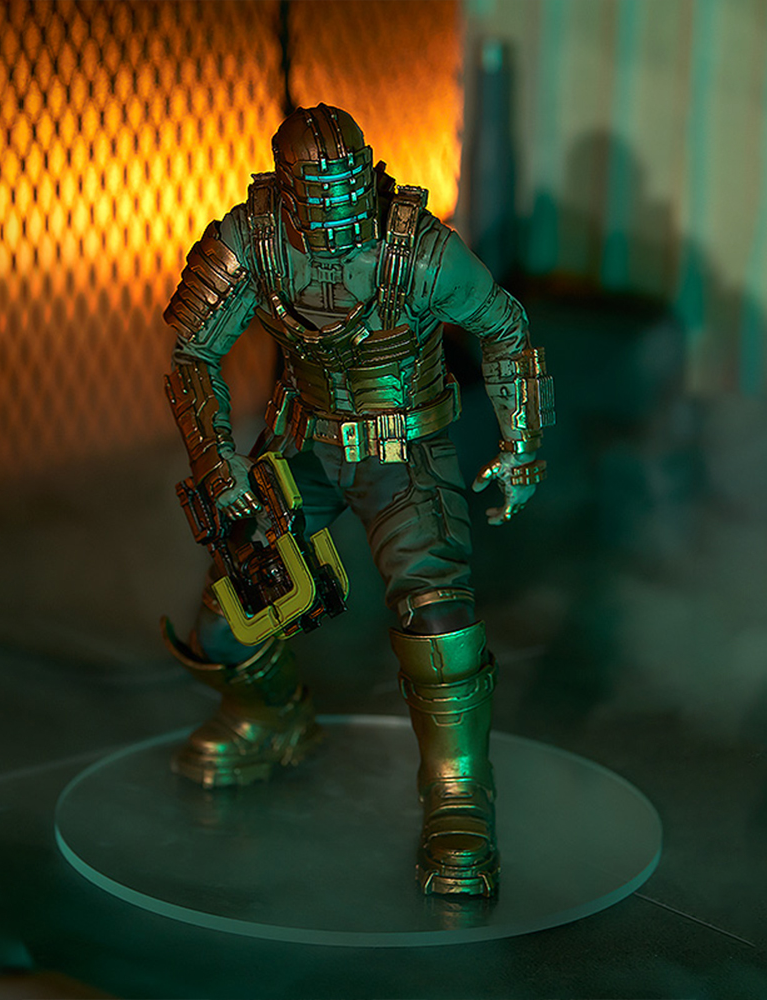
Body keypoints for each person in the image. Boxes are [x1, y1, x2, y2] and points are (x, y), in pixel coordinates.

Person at [161, 104, 553, 897]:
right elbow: (193, 350)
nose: (337, 228)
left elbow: (506, 326)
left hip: (404, 453)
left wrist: (522, 445)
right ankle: (271, 718)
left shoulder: (420, 251)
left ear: (365, 178)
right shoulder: (250, 241)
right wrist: (215, 457)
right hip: (301, 447)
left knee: (439, 621)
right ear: (286, 194)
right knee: (230, 614)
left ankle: (459, 796)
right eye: (316, 201)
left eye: (347, 196)